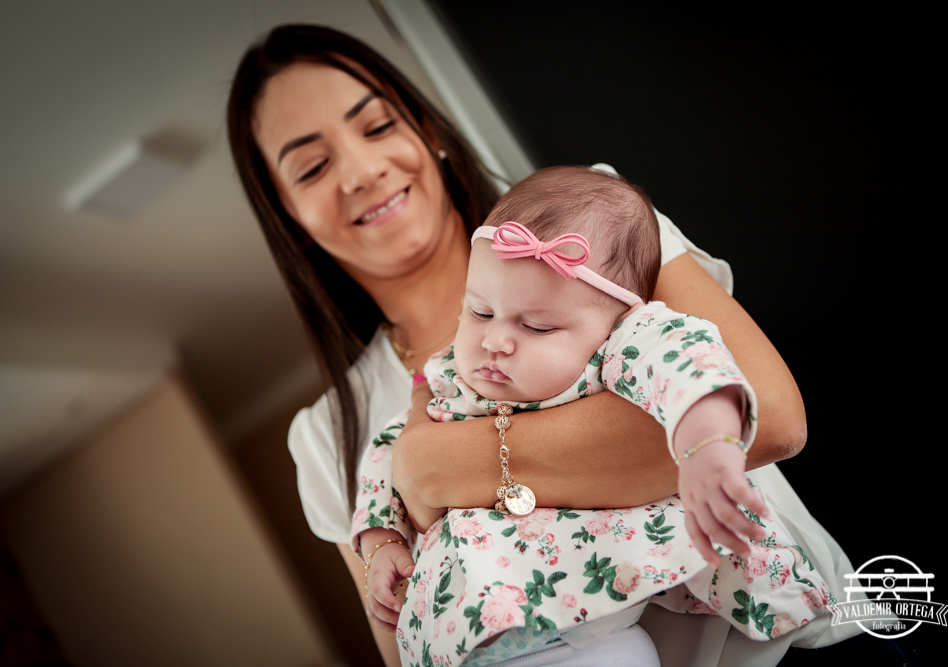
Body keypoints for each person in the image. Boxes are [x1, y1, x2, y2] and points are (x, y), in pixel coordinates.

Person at [227, 23, 860, 667]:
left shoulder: (593, 231)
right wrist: (391, 526)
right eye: (312, 166)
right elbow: (405, 642)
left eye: (378, 126)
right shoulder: (325, 435)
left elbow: (768, 417)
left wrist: (434, 467)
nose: (363, 171)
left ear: (428, 130)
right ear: (288, 216)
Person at [352, 166, 834, 666]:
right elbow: (390, 453)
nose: (495, 340)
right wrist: (382, 540)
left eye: (537, 326)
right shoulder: (449, 382)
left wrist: (706, 436)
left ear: (617, 322)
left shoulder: (617, 350)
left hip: (584, 623)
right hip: (465, 633)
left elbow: (685, 360)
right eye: (479, 312)